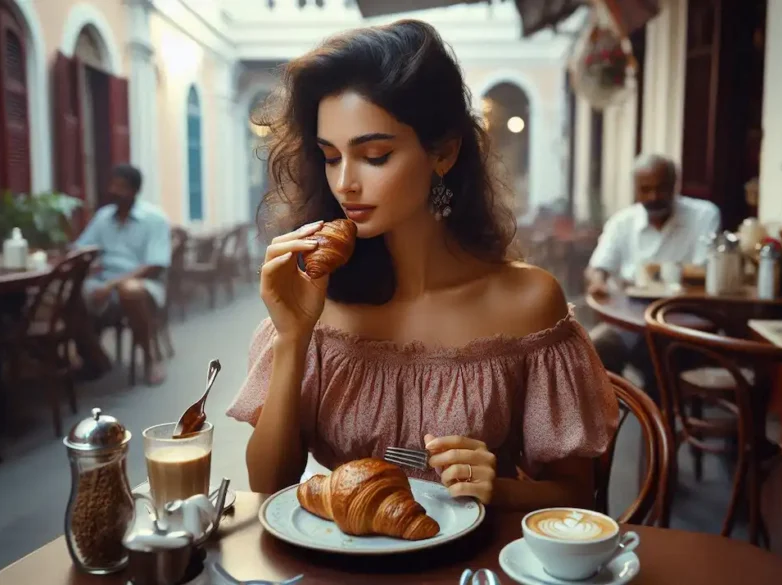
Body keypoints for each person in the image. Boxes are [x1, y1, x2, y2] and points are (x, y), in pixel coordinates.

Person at [226, 20, 618, 511]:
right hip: (343, 562)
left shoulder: (529, 303)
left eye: (374, 155)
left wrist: (495, 487)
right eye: (330, 157)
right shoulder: (321, 300)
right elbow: (267, 484)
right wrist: (292, 337)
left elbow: (577, 495)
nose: (345, 182)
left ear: (444, 152)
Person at [585, 154, 720, 380]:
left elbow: (706, 270)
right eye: (645, 189)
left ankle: (656, 412)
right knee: (591, 350)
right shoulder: (622, 222)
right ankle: (609, 412)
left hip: (682, 319)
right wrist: (598, 282)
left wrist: (653, 280)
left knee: (656, 356)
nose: (654, 196)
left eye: (662, 188)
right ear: (635, 189)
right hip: (628, 319)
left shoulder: (703, 215)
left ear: (675, 184)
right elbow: (598, 267)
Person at [74, 164, 171, 385]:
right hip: (101, 282)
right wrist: (90, 265)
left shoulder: (154, 219)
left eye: (122, 187)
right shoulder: (103, 217)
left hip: (143, 283)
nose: (114, 191)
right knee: (68, 294)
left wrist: (113, 285)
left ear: (135, 191)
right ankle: (95, 358)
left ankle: (151, 360)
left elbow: (155, 264)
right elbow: (80, 250)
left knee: (130, 291)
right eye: (113, 185)